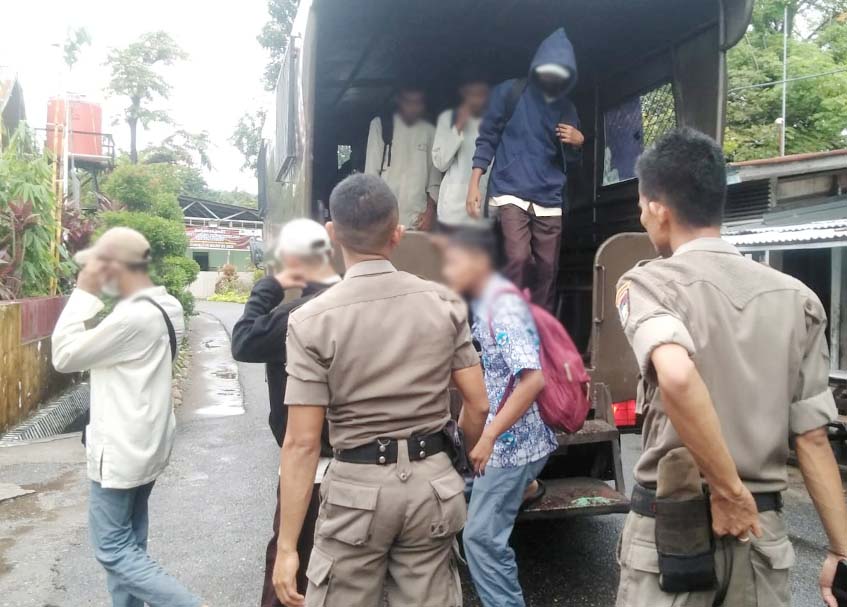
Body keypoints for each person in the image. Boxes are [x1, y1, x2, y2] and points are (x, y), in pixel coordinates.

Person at [614, 127, 847, 607]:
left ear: (658, 207)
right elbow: (812, 437)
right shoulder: (797, 299)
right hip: (762, 539)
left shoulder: (650, 284)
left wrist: (728, 490)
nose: (642, 216)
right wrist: (842, 551)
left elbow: (677, 376)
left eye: (641, 205)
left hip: (671, 541)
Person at [271, 173, 490, 607]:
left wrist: (287, 549)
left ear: (332, 235)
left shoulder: (311, 320)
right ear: (398, 234)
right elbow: (479, 403)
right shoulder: (444, 303)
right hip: (433, 485)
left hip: (356, 493)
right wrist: (456, 457)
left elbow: (301, 442)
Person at [51, 227, 206, 607]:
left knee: (113, 549)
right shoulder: (164, 305)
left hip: (122, 451)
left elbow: (64, 356)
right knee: (131, 544)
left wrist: (84, 292)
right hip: (146, 443)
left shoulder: (134, 318)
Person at [442, 228, 557, 607]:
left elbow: (533, 379)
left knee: (480, 539)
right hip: (507, 445)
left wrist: (488, 436)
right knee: (449, 495)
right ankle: (527, 489)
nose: (448, 269)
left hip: (512, 448)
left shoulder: (501, 308)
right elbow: (490, 377)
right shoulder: (485, 303)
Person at [230, 219, 341, 607]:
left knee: (289, 570)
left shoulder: (298, 315)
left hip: (312, 469)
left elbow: (243, 341)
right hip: (360, 467)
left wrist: (271, 285)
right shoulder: (348, 300)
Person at [467, 27, 584, 311]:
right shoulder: (510, 92)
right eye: (549, 69)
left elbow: (573, 163)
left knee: (547, 270)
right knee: (518, 258)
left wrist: (578, 143)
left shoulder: (567, 109)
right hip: (509, 189)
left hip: (549, 196)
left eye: (561, 72)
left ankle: (538, 330)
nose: (553, 77)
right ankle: (509, 319)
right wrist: (474, 185)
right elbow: (487, 139)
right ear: (537, 67)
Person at [365, 84, 441, 231]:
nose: (413, 107)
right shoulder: (381, 125)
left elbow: (434, 180)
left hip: (417, 219)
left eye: (417, 103)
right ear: (399, 101)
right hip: (384, 216)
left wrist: (429, 213)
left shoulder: (430, 131)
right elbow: (370, 175)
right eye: (408, 101)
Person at [432, 72, 490, 231]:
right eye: (473, 94)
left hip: (484, 209)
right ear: (464, 93)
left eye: (481, 94)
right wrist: (457, 126)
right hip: (453, 211)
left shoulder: (494, 119)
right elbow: (440, 163)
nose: (477, 99)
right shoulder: (449, 118)